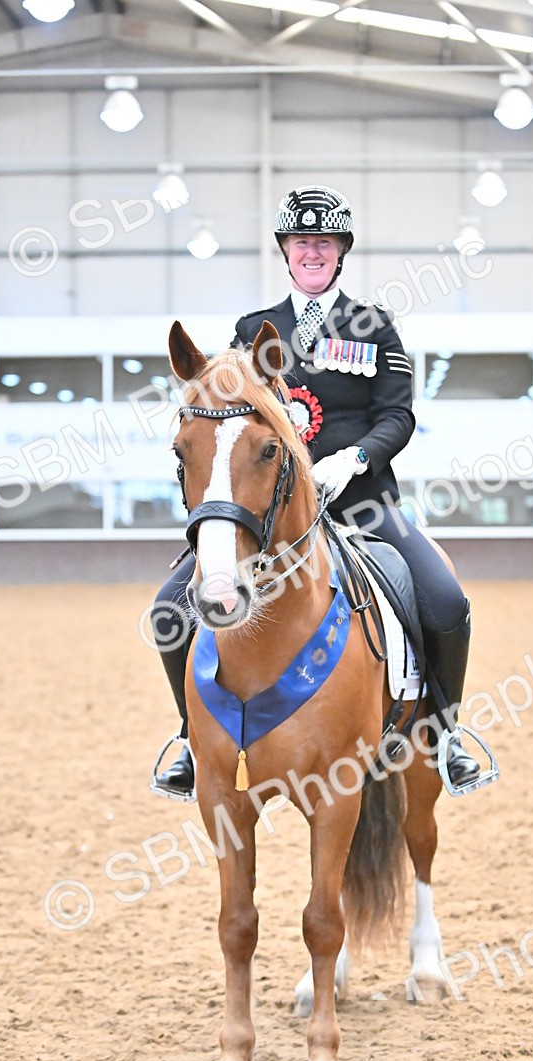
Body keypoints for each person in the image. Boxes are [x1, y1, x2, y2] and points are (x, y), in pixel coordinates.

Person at [152, 185, 480, 798]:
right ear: (285, 251)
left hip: (365, 504)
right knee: (168, 611)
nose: (312, 252)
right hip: (272, 517)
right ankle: (190, 740)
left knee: (446, 603)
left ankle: (447, 730)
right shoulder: (252, 330)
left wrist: (354, 458)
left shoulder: (376, 325)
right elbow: (232, 419)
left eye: (323, 243)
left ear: (340, 252)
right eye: (301, 242)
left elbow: (398, 415)